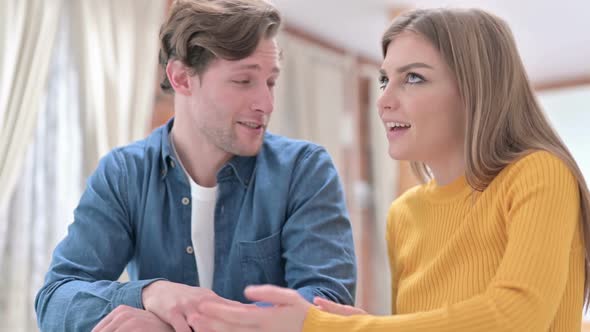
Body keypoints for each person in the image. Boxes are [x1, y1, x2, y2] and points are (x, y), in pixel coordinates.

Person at [194, 7, 590, 332]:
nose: (383, 100)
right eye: (385, 79)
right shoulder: (404, 213)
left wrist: (328, 327)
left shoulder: (538, 174)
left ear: (476, 89)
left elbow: (517, 316)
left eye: (413, 78)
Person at [34, 0, 357, 331]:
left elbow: (329, 304)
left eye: (270, 82)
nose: (266, 103)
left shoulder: (304, 171)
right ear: (181, 78)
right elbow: (56, 298)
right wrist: (152, 294)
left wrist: (182, 324)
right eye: (244, 81)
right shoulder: (124, 174)